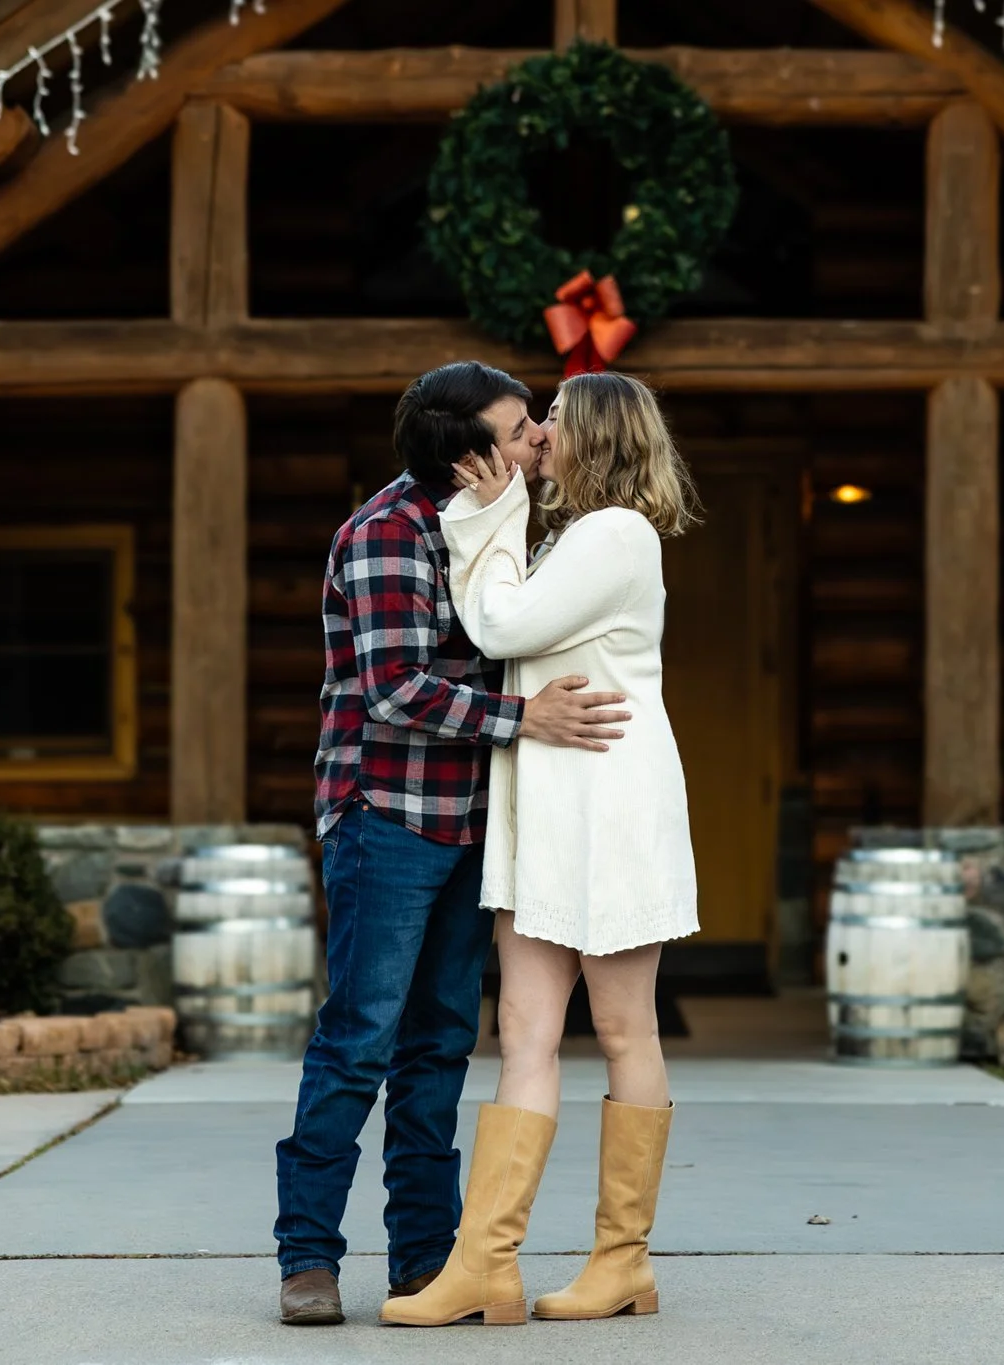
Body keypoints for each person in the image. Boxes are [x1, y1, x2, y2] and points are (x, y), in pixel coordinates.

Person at [275, 361, 635, 1327]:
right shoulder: (385, 535)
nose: (537, 443)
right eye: (521, 430)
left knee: (438, 1048)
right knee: (359, 1041)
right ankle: (307, 1257)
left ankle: (425, 1261)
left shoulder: (507, 527)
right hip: (387, 817)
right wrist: (526, 718)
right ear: (469, 452)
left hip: (475, 824)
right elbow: (395, 689)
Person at [381, 370, 700, 1328]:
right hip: (548, 803)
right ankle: (487, 1265)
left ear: (596, 433)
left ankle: (622, 1260)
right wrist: (502, 518)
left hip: (608, 800)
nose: (541, 430)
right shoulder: (569, 533)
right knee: (522, 1030)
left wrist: (486, 513)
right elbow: (510, 617)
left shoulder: (617, 534)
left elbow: (501, 622)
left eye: (556, 416)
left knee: (623, 1030)